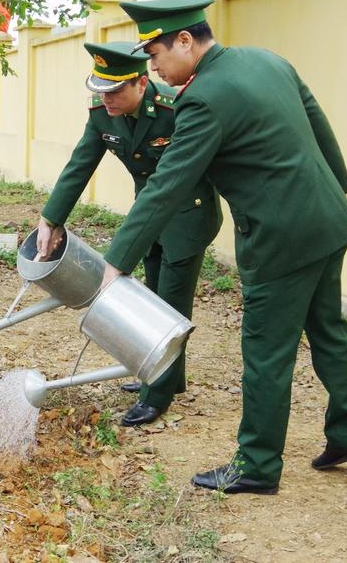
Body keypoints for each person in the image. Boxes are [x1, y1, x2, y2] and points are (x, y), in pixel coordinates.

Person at [97, 0, 347, 495]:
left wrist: (117, 262)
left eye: (155, 55)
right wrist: (337, 190)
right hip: (327, 221)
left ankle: (258, 465)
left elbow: (168, 183)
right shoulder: (267, 59)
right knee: (327, 326)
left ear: (185, 40)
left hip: (278, 238)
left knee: (266, 351)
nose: (152, 66)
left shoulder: (202, 99)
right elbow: (320, 128)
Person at [36, 41, 221, 427]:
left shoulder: (177, 106)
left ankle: (158, 395)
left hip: (188, 216)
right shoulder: (103, 115)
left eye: (115, 91)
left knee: (171, 305)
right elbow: (80, 164)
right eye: (100, 91)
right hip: (147, 217)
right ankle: (171, 377)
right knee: (152, 295)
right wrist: (51, 219)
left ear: (140, 83)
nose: (106, 100)